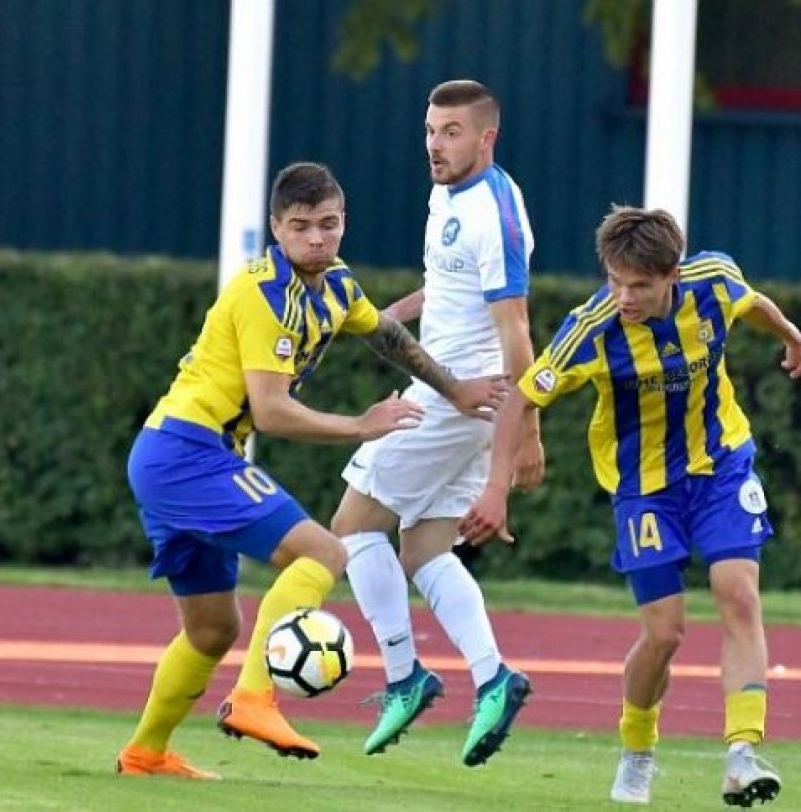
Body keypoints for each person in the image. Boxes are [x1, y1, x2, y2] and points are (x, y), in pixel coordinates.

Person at [115, 161, 508, 780]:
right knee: (325, 551)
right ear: (277, 228)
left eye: (328, 224)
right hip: (188, 452)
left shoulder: (335, 285)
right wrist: (360, 425)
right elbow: (272, 412)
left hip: (175, 456)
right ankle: (253, 698)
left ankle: (145, 754)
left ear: (343, 222)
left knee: (213, 630)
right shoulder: (265, 295)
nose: (317, 238)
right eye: (300, 227)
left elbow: (385, 334)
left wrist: (455, 389)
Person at [460, 206, 801, 806]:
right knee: (664, 632)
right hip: (644, 489)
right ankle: (637, 751)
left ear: (673, 274)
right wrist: (496, 488)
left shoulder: (712, 281)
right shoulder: (591, 328)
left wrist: (791, 337)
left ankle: (742, 755)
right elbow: (520, 399)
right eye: (614, 280)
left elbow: (751, 302)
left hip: (721, 464)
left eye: (640, 285)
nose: (623, 296)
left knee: (739, 594)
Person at [329, 79, 541, 767]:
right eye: (429, 130)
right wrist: (380, 316)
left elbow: (517, 334)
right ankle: (493, 678)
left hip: (462, 397)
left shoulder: (495, 214)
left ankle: (404, 677)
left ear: (486, 137)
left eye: (451, 132)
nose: (435, 145)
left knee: (352, 528)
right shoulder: (446, 192)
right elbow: (447, 288)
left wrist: (527, 437)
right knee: (423, 552)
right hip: (457, 394)